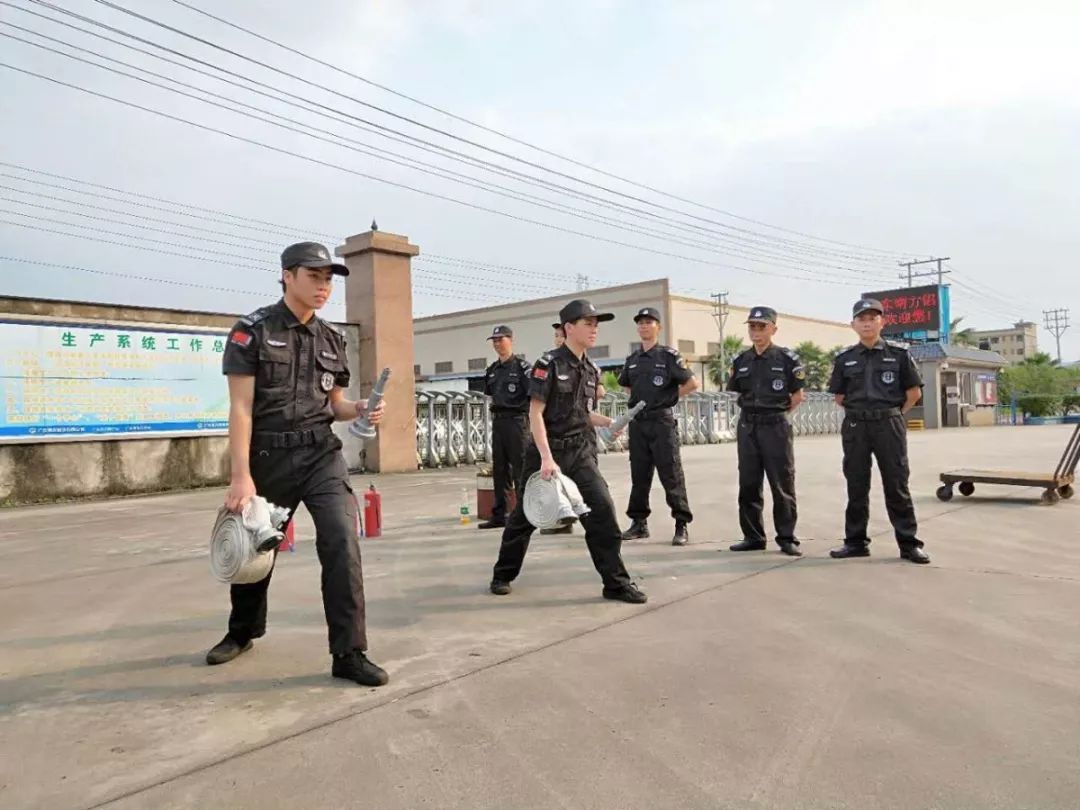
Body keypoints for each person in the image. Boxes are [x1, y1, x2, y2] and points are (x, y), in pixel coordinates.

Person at [206, 240, 390, 686]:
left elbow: (336, 405)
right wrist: (241, 476)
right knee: (257, 548)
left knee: (342, 540)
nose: (323, 286)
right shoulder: (252, 331)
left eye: (328, 278)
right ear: (287, 275)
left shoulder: (331, 339)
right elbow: (241, 408)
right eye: (314, 276)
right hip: (268, 456)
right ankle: (242, 631)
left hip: (321, 455)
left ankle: (349, 651)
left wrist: (360, 407)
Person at [490, 300, 647, 603]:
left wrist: (610, 422)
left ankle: (615, 583)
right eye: (588, 323)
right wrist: (547, 458)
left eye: (596, 323)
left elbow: (583, 413)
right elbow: (535, 414)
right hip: (546, 454)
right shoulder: (547, 364)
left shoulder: (590, 369)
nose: (594, 328)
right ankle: (502, 574)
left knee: (601, 513)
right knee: (525, 516)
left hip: (581, 453)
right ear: (568, 328)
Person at [827, 298, 930, 564]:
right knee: (856, 484)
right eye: (861, 319)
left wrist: (891, 415)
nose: (867, 323)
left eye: (873, 317)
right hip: (855, 426)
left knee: (897, 484)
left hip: (888, 425)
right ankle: (856, 542)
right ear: (853, 325)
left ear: (882, 322)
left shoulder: (899, 355)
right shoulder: (845, 358)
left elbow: (913, 394)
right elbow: (839, 397)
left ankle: (909, 544)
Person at [726, 307, 805, 556]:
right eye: (752, 326)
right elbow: (737, 391)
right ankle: (753, 536)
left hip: (775, 425)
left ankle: (786, 537)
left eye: (762, 326)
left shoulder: (787, 360)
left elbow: (797, 396)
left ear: (773, 329)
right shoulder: (741, 361)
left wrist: (775, 415)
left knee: (781, 483)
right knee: (748, 483)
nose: (756, 331)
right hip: (748, 425)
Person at [618, 307, 698, 546]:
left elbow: (692, 383)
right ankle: (639, 523)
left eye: (649, 322)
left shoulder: (668, 356)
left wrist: (669, 398)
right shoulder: (632, 360)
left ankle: (681, 524)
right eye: (641, 323)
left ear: (658, 327)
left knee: (671, 474)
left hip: (661, 422)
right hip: (639, 423)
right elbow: (627, 386)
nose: (644, 326)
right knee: (639, 476)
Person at [479, 325, 533, 529]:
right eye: (494, 340)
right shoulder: (492, 370)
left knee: (520, 468)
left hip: (517, 422)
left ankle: (524, 513)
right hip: (499, 422)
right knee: (500, 470)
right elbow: (490, 395)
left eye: (500, 339)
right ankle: (499, 514)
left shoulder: (523, 368)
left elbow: (532, 397)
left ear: (511, 340)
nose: (497, 344)